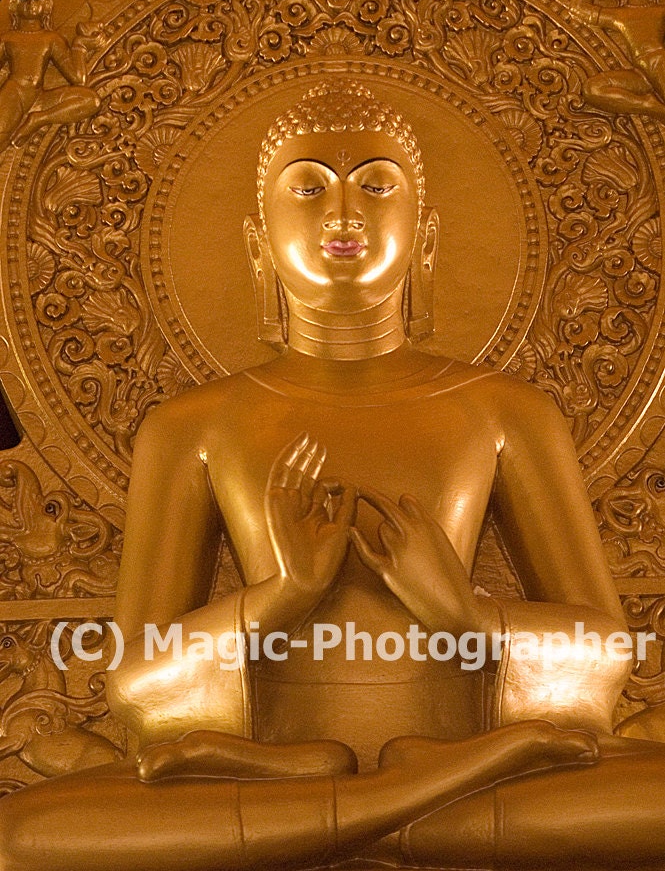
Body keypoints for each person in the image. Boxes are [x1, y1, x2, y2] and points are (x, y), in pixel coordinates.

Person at [1, 81, 665, 871]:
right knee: (20, 837)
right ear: (257, 240)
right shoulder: (192, 427)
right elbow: (137, 686)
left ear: (425, 235)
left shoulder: (506, 412)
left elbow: (606, 652)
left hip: (413, 763)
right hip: (308, 770)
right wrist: (275, 598)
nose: (342, 214)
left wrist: (466, 613)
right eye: (308, 187)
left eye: (376, 185)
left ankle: (356, 805)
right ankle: (407, 802)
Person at [559, 0, 665, 119]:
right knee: (593, 89)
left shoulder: (660, 11)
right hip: (641, 74)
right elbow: (578, 9)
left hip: (660, 64)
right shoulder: (619, 15)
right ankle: (651, 106)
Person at [0, 0, 99, 152]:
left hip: (40, 97)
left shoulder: (52, 39)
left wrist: (80, 45)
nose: (30, 2)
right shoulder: (8, 38)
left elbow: (78, 79)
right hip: (15, 94)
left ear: (46, 4)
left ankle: (38, 120)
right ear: (14, 6)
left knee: (91, 100)